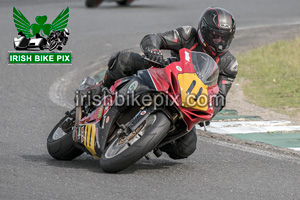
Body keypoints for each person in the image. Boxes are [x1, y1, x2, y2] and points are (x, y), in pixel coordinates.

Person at [100, 7, 238, 159]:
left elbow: (220, 97)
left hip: (187, 102)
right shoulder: (188, 35)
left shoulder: (229, 64)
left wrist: (209, 112)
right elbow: (155, 38)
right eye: (215, 36)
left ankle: (153, 140)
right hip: (165, 75)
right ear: (204, 30)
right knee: (125, 59)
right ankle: (101, 89)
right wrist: (153, 49)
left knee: (186, 147)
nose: (219, 42)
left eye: (223, 38)